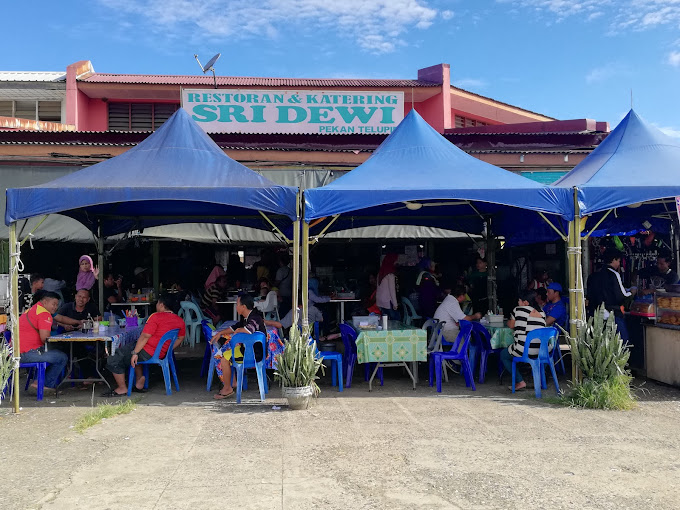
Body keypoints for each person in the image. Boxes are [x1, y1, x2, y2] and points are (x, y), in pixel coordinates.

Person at [104, 294, 185, 397]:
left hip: (148, 351)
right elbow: (180, 338)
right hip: (160, 352)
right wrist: (167, 350)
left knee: (114, 358)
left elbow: (145, 336)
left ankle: (122, 388)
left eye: (157, 303)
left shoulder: (155, 316)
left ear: (161, 305)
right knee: (134, 347)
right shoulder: (179, 320)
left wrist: (135, 352)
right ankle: (139, 381)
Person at [210, 293, 266, 400]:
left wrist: (239, 330)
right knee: (226, 355)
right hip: (247, 351)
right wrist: (220, 333)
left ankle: (228, 388)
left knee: (224, 359)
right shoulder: (245, 318)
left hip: (254, 354)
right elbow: (234, 327)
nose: (236, 307)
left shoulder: (255, 317)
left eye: (237, 304)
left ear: (243, 307)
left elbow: (248, 330)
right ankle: (234, 382)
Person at [18, 291, 68, 393]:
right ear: (45, 302)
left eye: (57, 305)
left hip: (16, 353)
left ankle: (37, 382)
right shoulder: (44, 314)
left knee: (50, 353)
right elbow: (45, 339)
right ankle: (45, 385)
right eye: (53, 304)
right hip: (27, 354)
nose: (55, 307)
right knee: (62, 357)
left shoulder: (32, 310)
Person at [501, 290, 548, 391]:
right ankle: (540, 382)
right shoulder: (542, 312)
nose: (518, 303)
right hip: (541, 351)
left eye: (519, 300)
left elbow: (511, 325)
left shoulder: (519, 310)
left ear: (526, 302)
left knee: (503, 355)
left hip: (524, 350)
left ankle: (520, 381)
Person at [587, 249, 635, 341]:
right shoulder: (614, 274)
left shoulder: (593, 275)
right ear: (613, 260)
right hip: (611, 314)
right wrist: (632, 292)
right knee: (622, 341)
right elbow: (621, 295)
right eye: (618, 261)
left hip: (595, 314)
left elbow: (589, 296)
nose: (618, 264)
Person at [376, 253, 400, 320]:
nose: (396, 262)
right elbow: (392, 291)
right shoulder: (390, 275)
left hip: (380, 302)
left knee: (385, 321)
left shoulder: (380, 274)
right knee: (396, 320)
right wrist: (395, 304)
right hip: (388, 301)